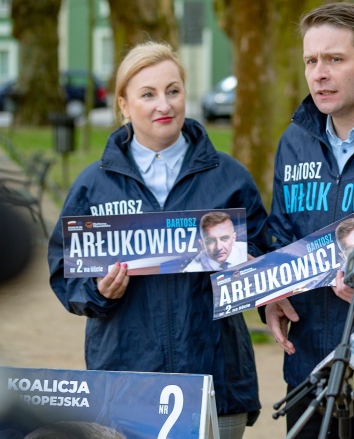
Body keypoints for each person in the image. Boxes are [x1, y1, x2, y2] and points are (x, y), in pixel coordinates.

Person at [47, 42, 268, 439]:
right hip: (123, 385)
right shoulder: (92, 187)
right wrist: (99, 291)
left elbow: (267, 258)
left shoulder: (230, 178)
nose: (163, 104)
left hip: (215, 378)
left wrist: (251, 272)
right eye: (147, 94)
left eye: (173, 90)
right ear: (124, 106)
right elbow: (65, 272)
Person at [262, 2, 354, 439]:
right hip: (309, 368)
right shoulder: (294, 140)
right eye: (311, 61)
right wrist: (272, 294)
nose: (319, 74)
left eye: (334, 59)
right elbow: (281, 232)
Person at [181, 211, 249, 272]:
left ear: (233, 238)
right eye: (211, 241)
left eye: (224, 239)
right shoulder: (192, 270)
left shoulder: (248, 253)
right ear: (202, 244)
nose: (219, 247)